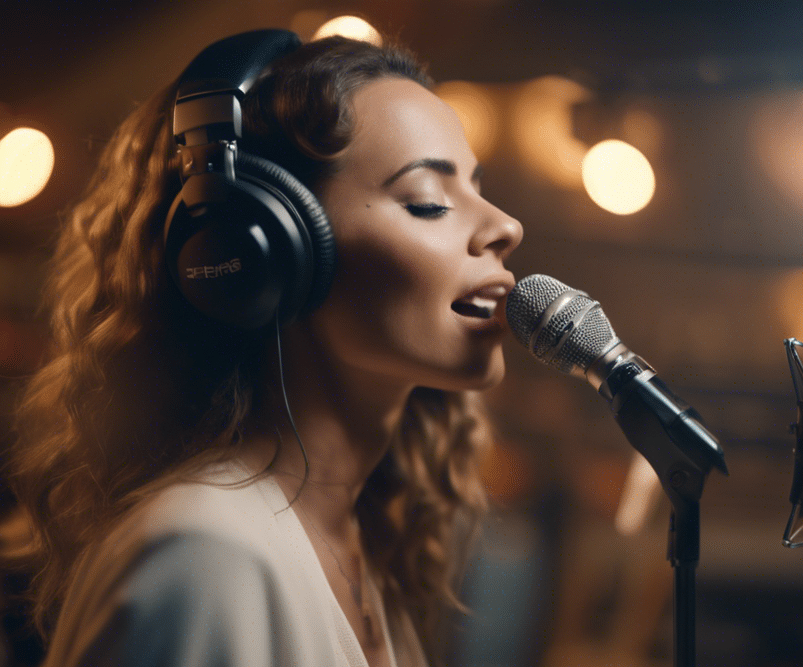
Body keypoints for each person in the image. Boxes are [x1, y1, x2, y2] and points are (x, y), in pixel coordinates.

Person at [0, 28, 522, 667]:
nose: (505, 226)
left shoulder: (348, 549)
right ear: (265, 250)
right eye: (428, 202)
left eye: (476, 186)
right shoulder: (206, 556)